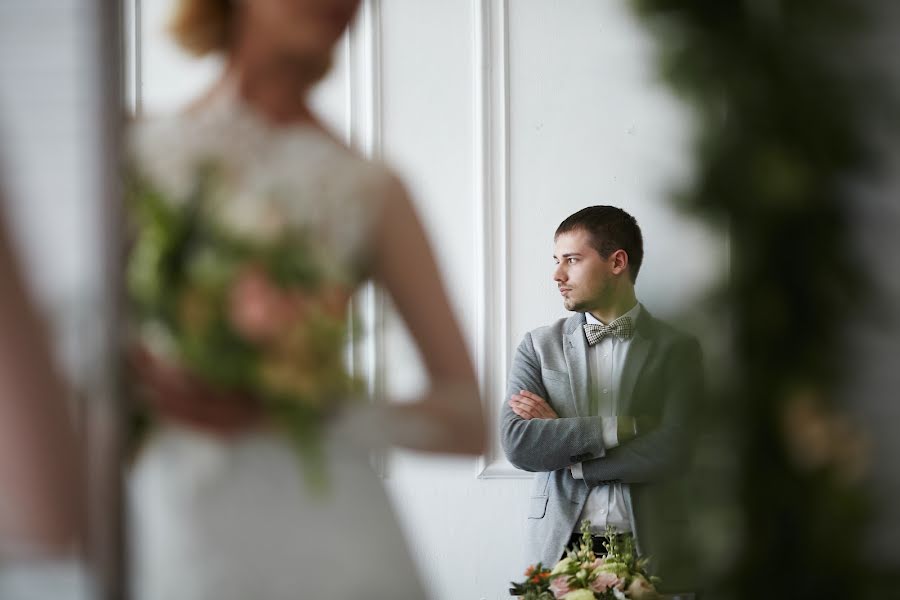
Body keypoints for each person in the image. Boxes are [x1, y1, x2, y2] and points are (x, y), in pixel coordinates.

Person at [127, 0, 485, 598]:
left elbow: (469, 423)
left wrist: (311, 412)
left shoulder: (369, 188)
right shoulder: (136, 151)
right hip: (175, 527)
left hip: (334, 541)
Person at [500, 206, 703, 593]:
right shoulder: (538, 346)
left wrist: (575, 459)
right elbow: (519, 444)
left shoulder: (678, 349)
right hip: (560, 544)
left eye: (572, 260)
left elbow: (675, 449)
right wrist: (623, 427)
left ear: (617, 262)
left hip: (651, 545)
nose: (557, 275)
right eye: (557, 261)